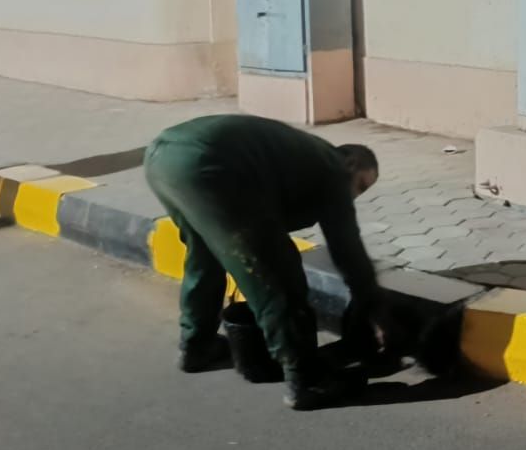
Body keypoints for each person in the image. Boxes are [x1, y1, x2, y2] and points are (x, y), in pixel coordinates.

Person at [143, 114, 403, 411]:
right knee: (277, 272)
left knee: (204, 255)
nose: (356, 196)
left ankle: (196, 345)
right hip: (209, 164)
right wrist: (374, 304)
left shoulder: (305, 157)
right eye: (362, 186)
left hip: (162, 159)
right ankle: (306, 380)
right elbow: (347, 248)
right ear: (352, 164)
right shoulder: (332, 169)